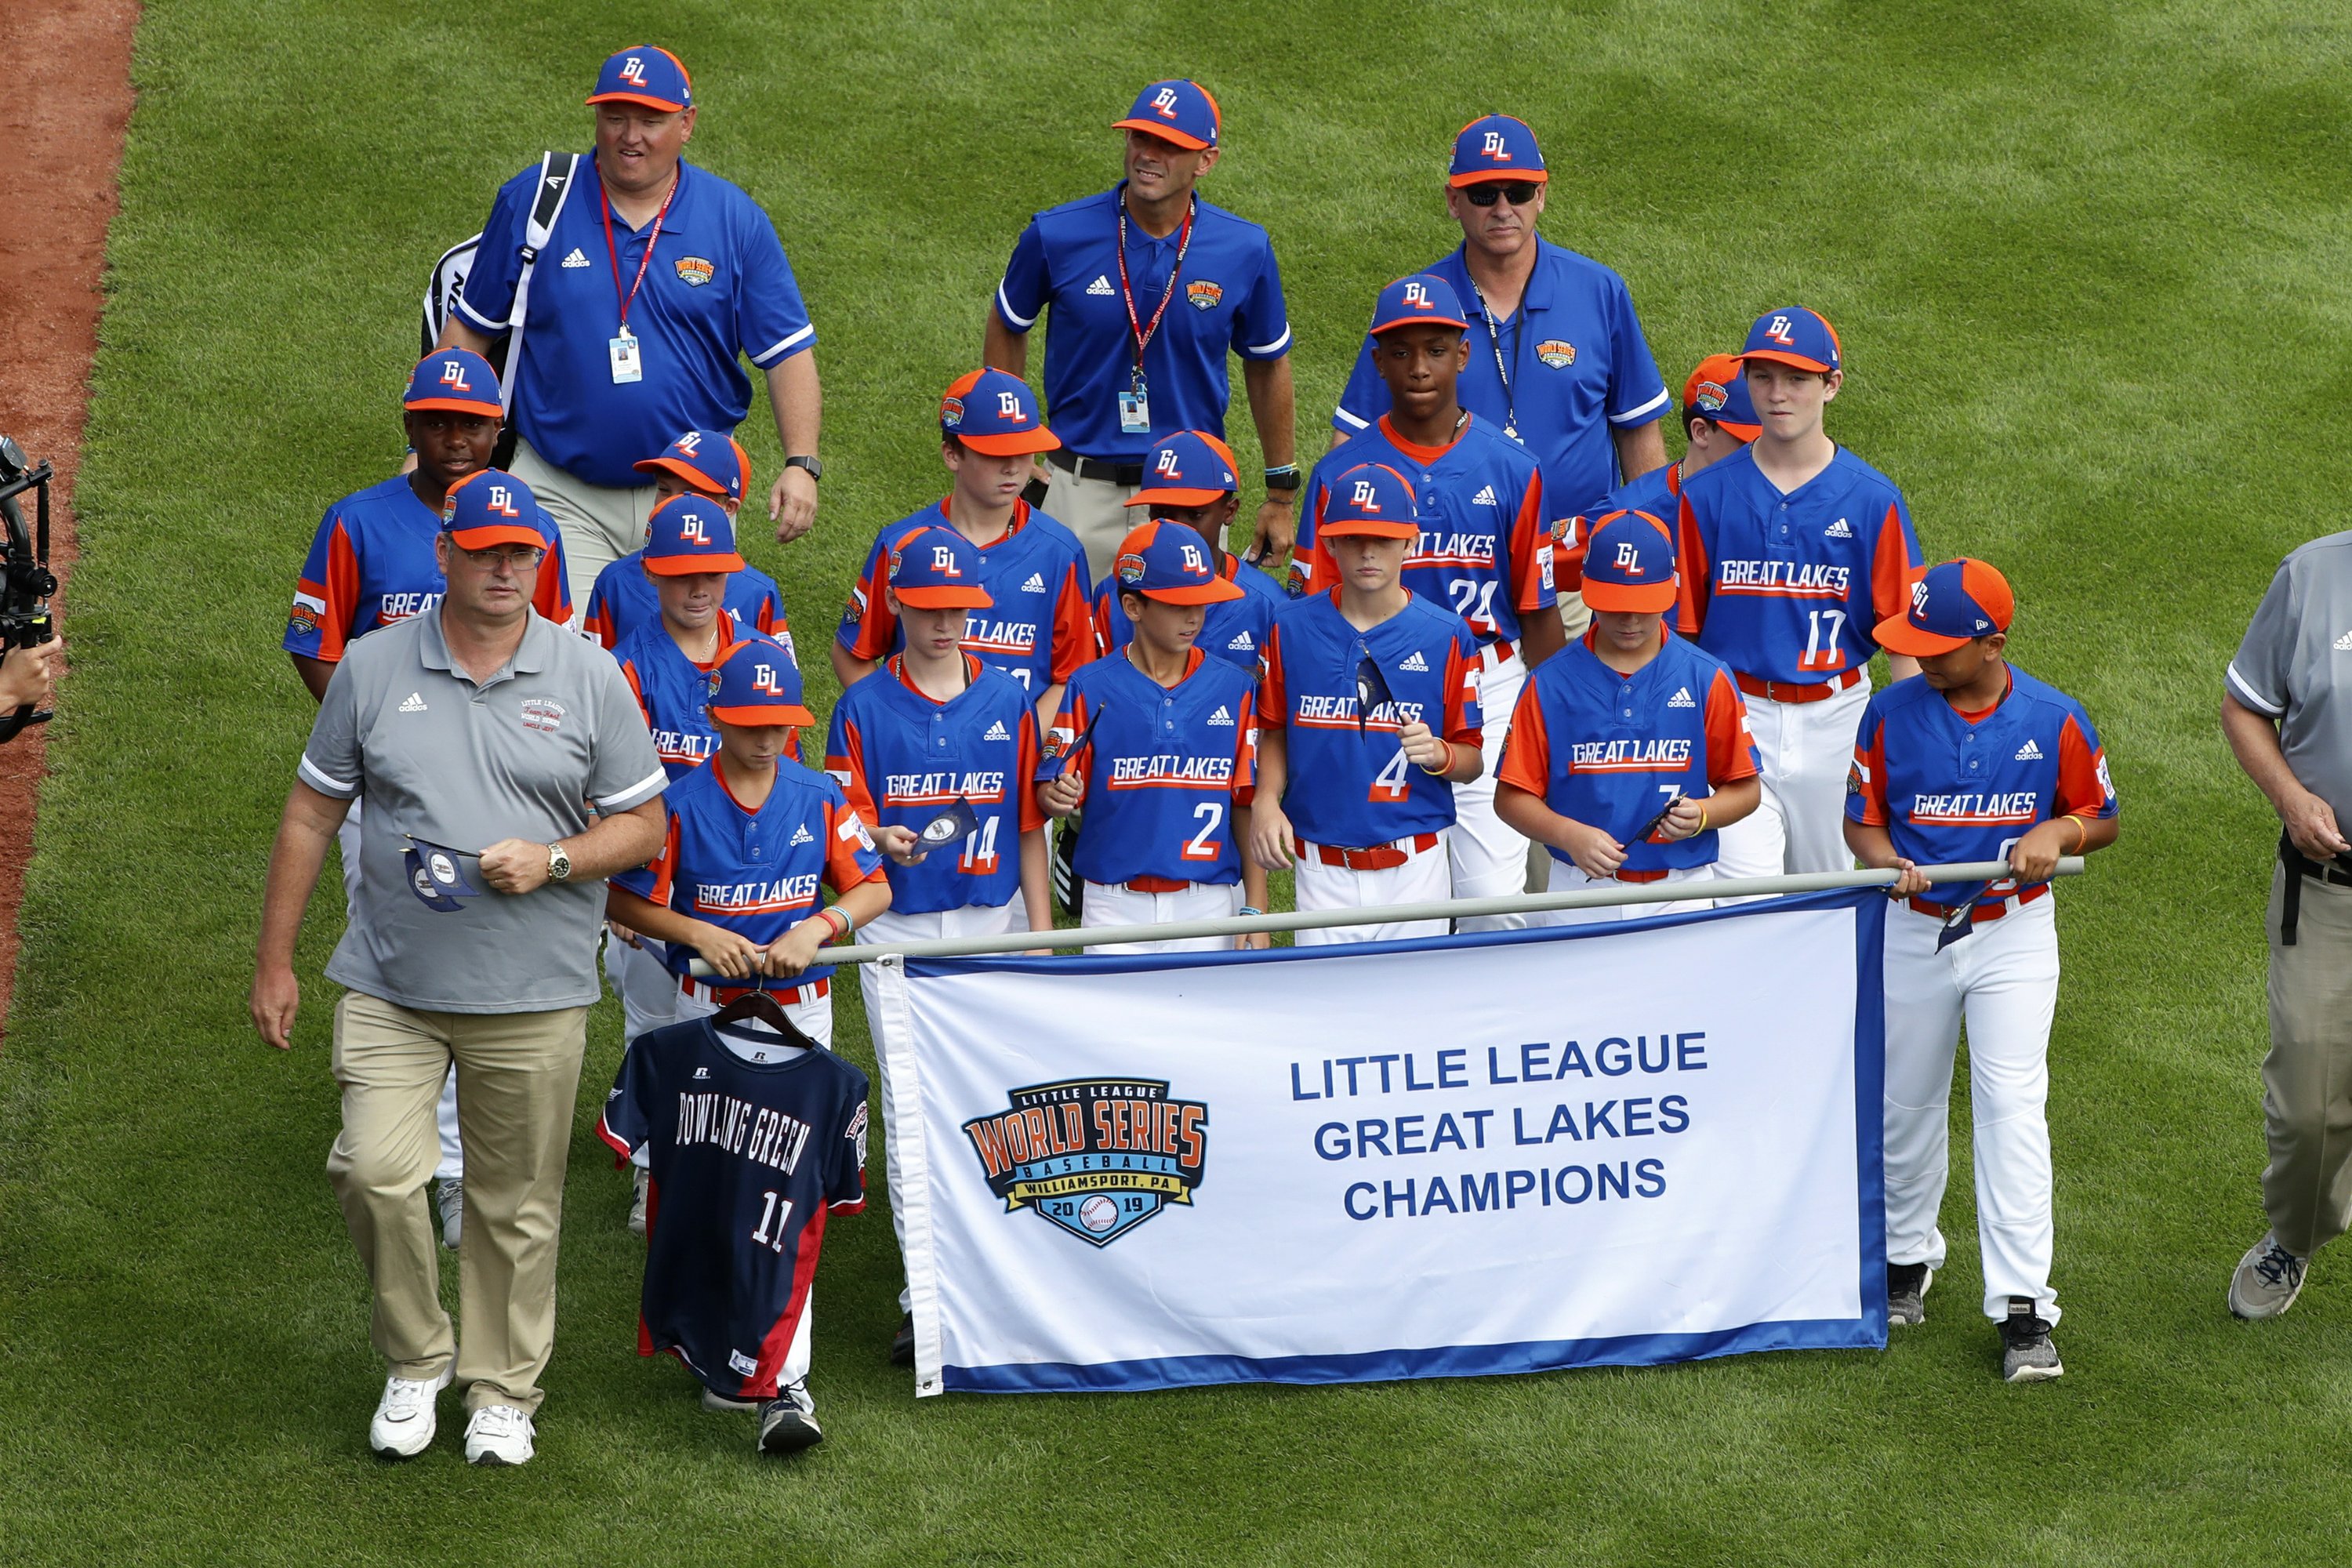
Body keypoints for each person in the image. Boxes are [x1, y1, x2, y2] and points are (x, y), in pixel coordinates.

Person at [249, 469, 666, 1467]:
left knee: (514, 1201)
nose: (506, 569)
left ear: (541, 560)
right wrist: (276, 959)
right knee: (377, 1170)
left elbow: (645, 823)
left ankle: (503, 1388)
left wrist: (557, 858)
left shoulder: (588, 674)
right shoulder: (373, 664)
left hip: (533, 993)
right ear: (446, 556)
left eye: (523, 553)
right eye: (487, 552)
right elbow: (313, 809)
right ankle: (416, 1359)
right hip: (391, 983)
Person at [284, 350, 574, 1250]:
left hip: (506, 787)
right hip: (388, 795)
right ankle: (414, 1144)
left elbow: (553, 652)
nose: (454, 436)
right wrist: (385, 739)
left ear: (498, 430)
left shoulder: (533, 534)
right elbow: (316, 644)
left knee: (490, 961)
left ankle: (459, 1167)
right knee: (399, 959)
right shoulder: (357, 522)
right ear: (409, 425)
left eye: (472, 422)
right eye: (437, 420)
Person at [1843, 559, 2118, 1382]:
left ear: (1991, 643)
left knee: (2011, 1106)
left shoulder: (2056, 718)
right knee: (1907, 1098)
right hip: (1912, 926)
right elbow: (1862, 822)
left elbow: (2102, 817)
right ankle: (1903, 1258)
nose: (1920, 657)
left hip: (2013, 933)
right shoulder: (1887, 717)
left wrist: (2060, 832)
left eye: (1937, 645)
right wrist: (1886, 857)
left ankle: (2025, 1307)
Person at [438, 45, 825, 602]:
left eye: (650, 119)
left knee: (687, 661)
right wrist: (431, 447)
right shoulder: (538, 201)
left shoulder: (733, 220)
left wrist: (801, 465)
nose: (630, 136)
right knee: (559, 666)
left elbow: (787, 353)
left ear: (687, 124)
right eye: (615, 116)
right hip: (560, 491)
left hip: (693, 496)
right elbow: (469, 334)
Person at [822, 525, 1050, 1363]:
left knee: (1004, 1105)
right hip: (899, 930)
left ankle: (1006, 1281)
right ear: (898, 605)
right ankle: (925, 1295)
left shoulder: (1009, 700)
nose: (946, 622)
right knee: (913, 1109)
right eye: (928, 607)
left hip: (994, 923)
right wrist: (877, 835)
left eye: (959, 607)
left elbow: (1030, 826)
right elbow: (839, 832)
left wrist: (1041, 934)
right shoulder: (862, 708)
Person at [1296, 274, 1563, 929]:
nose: (1419, 367)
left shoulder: (1513, 468)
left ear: (1463, 354)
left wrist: (1559, 713)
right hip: (1374, 692)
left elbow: (1537, 610)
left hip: (1489, 682)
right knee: (1372, 889)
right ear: (1379, 359)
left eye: (1436, 349)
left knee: (1488, 904)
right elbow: (1314, 614)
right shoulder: (1340, 474)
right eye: (1402, 351)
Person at [983, 79, 1298, 579]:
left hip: (1189, 501)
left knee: (1183, 650)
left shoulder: (1245, 250)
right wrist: (1010, 443)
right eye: (1139, 138)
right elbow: (1008, 321)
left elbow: (1267, 363)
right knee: (1066, 652)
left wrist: (1280, 491)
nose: (1148, 155)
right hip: (1076, 492)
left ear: (1206, 160)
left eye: (1169, 146)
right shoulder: (1056, 234)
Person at [1330, 116, 1669, 578]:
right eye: (1485, 194)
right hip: (1452, 563)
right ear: (1454, 201)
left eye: (1520, 191)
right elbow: (1354, 439)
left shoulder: (1599, 292)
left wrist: (1650, 538)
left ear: (1542, 195)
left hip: (1578, 565)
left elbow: (1637, 428)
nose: (1504, 208)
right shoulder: (1415, 306)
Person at [1675, 307, 1925, 879]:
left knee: (1830, 895)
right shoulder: (1707, 495)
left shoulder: (1872, 500)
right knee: (1743, 901)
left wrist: (1906, 741)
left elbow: (1903, 640)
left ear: (1830, 385)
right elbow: (1683, 631)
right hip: (1737, 716)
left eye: (1796, 378)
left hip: (1836, 721)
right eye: (1762, 376)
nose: (1777, 394)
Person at [1250, 463, 1483, 945]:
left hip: (1416, 867)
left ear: (1410, 542)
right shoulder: (1288, 627)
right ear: (1330, 544)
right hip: (1322, 867)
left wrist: (1441, 754)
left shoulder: (1447, 636)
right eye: (1353, 538)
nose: (1369, 551)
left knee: (1416, 1014)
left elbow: (1473, 760)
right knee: (1328, 1012)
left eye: (1383, 537)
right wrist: (1266, 799)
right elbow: (1273, 729)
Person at [604, 495, 756, 1226]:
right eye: (682, 574)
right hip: (653, 882)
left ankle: (724, 1170)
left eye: (713, 573)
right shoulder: (624, 667)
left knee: (737, 1034)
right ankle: (650, 1166)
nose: (699, 588)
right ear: (653, 575)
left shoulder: (758, 657)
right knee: (654, 1027)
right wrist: (626, 887)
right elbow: (602, 792)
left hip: (740, 879)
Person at [1495, 510, 1759, 920]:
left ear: (1670, 590)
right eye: (1616, 604)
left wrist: (1705, 814)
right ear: (1587, 590)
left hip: (1680, 888)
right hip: (1578, 887)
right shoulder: (1549, 682)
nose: (1630, 619)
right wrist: (1566, 834)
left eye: (1643, 604)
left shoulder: (1706, 676)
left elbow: (1745, 790)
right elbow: (1511, 798)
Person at [2220, 525, 2352, 1320]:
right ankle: (2294, 1234)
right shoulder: (2313, 575)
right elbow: (2245, 707)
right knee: (2308, 1101)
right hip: (2330, 885)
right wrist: (2291, 798)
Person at [1038, 518, 1266, 951]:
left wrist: (1254, 906)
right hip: (1111, 905)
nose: (1194, 615)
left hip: (1209, 902)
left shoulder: (1235, 687)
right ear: (1133, 607)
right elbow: (1051, 793)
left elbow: (1245, 802)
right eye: (1178, 603)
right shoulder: (1088, 687)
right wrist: (1058, 795)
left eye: (1201, 600)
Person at [832, 370, 1092, 726]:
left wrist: (1018, 745)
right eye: (996, 452)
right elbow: (852, 652)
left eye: (1024, 450)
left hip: (1012, 761)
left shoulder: (1060, 552)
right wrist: (898, 725)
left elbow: (1073, 677)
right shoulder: (901, 543)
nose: (1013, 466)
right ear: (952, 455)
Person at [582, 429, 792, 656]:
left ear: (728, 507)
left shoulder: (758, 592)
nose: (673, 503)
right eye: (664, 490)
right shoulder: (616, 582)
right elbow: (593, 677)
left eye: (691, 493)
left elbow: (778, 680)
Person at [1092, 429, 1286, 672]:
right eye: (1162, 513)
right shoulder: (1113, 595)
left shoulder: (1270, 605)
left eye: (1195, 515)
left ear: (1230, 511)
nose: (1177, 528)